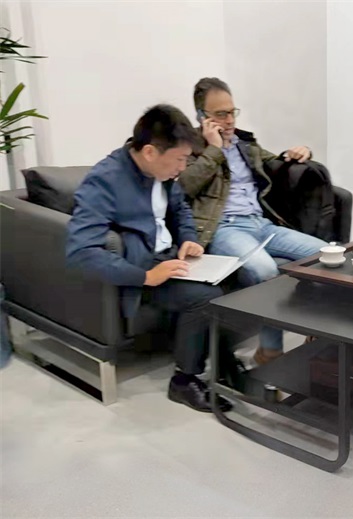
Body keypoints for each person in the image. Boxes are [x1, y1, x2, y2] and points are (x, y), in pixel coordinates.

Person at [66, 104, 234, 412]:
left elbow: (180, 208)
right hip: (140, 271)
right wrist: (145, 277)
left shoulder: (163, 173)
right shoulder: (104, 181)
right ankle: (184, 381)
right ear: (149, 152)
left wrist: (188, 239)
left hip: (169, 259)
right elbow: (81, 251)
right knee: (204, 297)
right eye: (179, 159)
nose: (182, 167)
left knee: (234, 277)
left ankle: (226, 365)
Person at [179, 77, 327, 365]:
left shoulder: (245, 144)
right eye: (221, 113)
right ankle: (269, 351)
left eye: (232, 111)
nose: (229, 119)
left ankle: (320, 336)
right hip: (225, 229)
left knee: (327, 256)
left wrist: (300, 152)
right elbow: (184, 186)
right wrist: (214, 149)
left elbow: (277, 161)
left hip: (262, 224)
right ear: (201, 116)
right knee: (265, 271)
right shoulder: (190, 148)